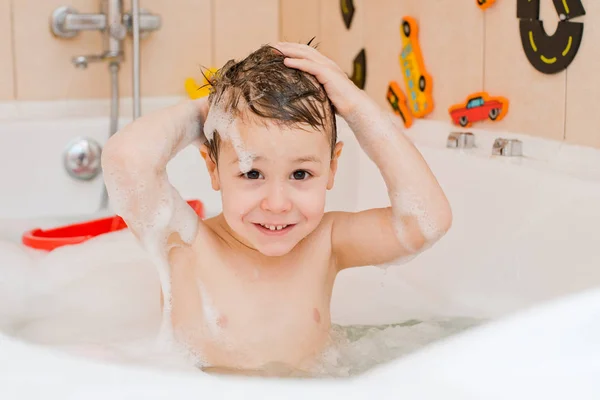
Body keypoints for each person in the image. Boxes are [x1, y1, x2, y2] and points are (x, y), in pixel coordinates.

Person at [101, 41, 452, 376]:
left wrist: (357, 107)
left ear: (332, 168)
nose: (277, 204)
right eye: (252, 173)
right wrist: (206, 111)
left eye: (301, 174)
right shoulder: (187, 246)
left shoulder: (325, 243)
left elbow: (426, 222)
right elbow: (125, 160)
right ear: (213, 168)